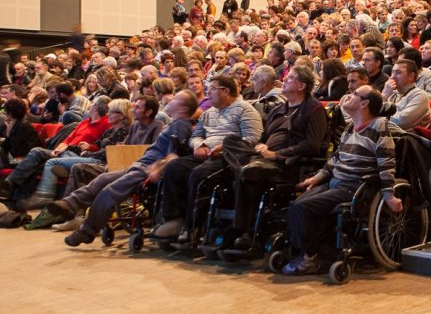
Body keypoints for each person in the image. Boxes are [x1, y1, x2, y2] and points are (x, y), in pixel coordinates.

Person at [52, 91, 198, 247]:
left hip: (148, 168)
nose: (170, 100)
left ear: (182, 107)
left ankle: (87, 231)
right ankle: (70, 203)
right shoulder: (174, 123)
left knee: (109, 191)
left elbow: (175, 155)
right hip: (138, 164)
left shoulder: (181, 125)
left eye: (176, 99)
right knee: (102, 178)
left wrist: (157, 167)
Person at [282, 86, 401, 275]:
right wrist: (316, 177)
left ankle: (311, 257)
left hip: (354, 186)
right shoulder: (350, 127)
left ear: (364, 103)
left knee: (303, 208)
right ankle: (311, 252)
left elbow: (387, 166)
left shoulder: (379, 129)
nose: (349, 94)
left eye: (354, 94)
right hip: (335, 181)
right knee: (297, 203)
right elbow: (336, 160)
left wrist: (389, 196)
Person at [222, 65, 329, 250]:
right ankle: (248, 167)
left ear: (302, 85)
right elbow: (264, 136)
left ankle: (242, 230)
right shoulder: (279, 108)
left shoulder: (314, 110)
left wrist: (276, 154)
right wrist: (260, 145)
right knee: (230, 141)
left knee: (248, 175)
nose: (284, 80)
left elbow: (312, 145)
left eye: (290, 78)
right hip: (261, 157)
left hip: (287, 165)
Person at [154, 75, 262, 241]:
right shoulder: (208, 113)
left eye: (212, 89)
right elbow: (195, 136)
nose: (207, 92)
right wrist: (199, 146)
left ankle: (192, 226)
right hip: (206, 154)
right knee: (174, 167)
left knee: (198, 174)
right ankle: (174, 219)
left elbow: (251, 139)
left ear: (225, 91)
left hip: (229, 158)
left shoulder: (246, 110)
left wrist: (224, 148)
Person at [0, 97, 112, 210]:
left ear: (96, 108)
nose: (89, 106)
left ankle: (38, 194)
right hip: (65, 150)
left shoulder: (106, 124)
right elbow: (68, 138)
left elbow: (101, 147)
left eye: (92, 104)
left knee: (43, 161)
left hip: (78, 154)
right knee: (37, 151)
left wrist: (89, 147)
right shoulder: (84, 122)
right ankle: (10, 183)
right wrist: (59, 148)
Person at [381, 59, 431, 130]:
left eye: (398, 73)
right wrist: (384, 96)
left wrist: (378, 115)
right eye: (392, 72)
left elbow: (401, 122)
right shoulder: (392, 93)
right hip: (388, 134)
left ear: (411, 76)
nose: (392, 76)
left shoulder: (420, 95)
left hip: (407, 138)